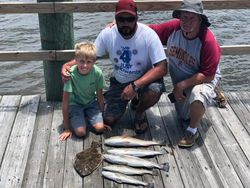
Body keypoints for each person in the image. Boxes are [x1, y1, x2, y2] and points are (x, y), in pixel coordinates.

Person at [61, 0, 168, 134]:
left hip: (142, 81)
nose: (125, 23)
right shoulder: (108, 33)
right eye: (121, 19)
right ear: (115, 18)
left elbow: (162, 67)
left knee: (155, 89)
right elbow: (90, 57)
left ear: (136, 18)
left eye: (129, 19)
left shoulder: (148, 34)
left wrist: (135, 85)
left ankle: (139, 112)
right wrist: (67, 65)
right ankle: (126, 99)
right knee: (108, 119)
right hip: (120, 82)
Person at [149, 0, 222, 147]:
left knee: (198, 94)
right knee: (183, 116)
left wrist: (182, 85)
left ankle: (192, 131)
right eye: (184, 17)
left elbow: (208, 75)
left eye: (192, 18)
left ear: (200, 19)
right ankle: (211, 94)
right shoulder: (173, 28)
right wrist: (118, 22)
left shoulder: (208, 41)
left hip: (204, 77)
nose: (187, 22)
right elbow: (148, 31)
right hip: (183, 81)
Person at [59, 42, 111, 141]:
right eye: (81, 61)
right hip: (75, 104)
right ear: (76, 60)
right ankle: (78, 118)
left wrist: (103, 119)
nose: (85, 65)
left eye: (89, 62)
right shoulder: (70, 75)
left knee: (100, 129)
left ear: (94, 61)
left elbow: (100, 97)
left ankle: (86, 117)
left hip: (91, 103)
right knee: (80, 133)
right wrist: (67, 128)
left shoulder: (97, 73)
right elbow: (65, 104)